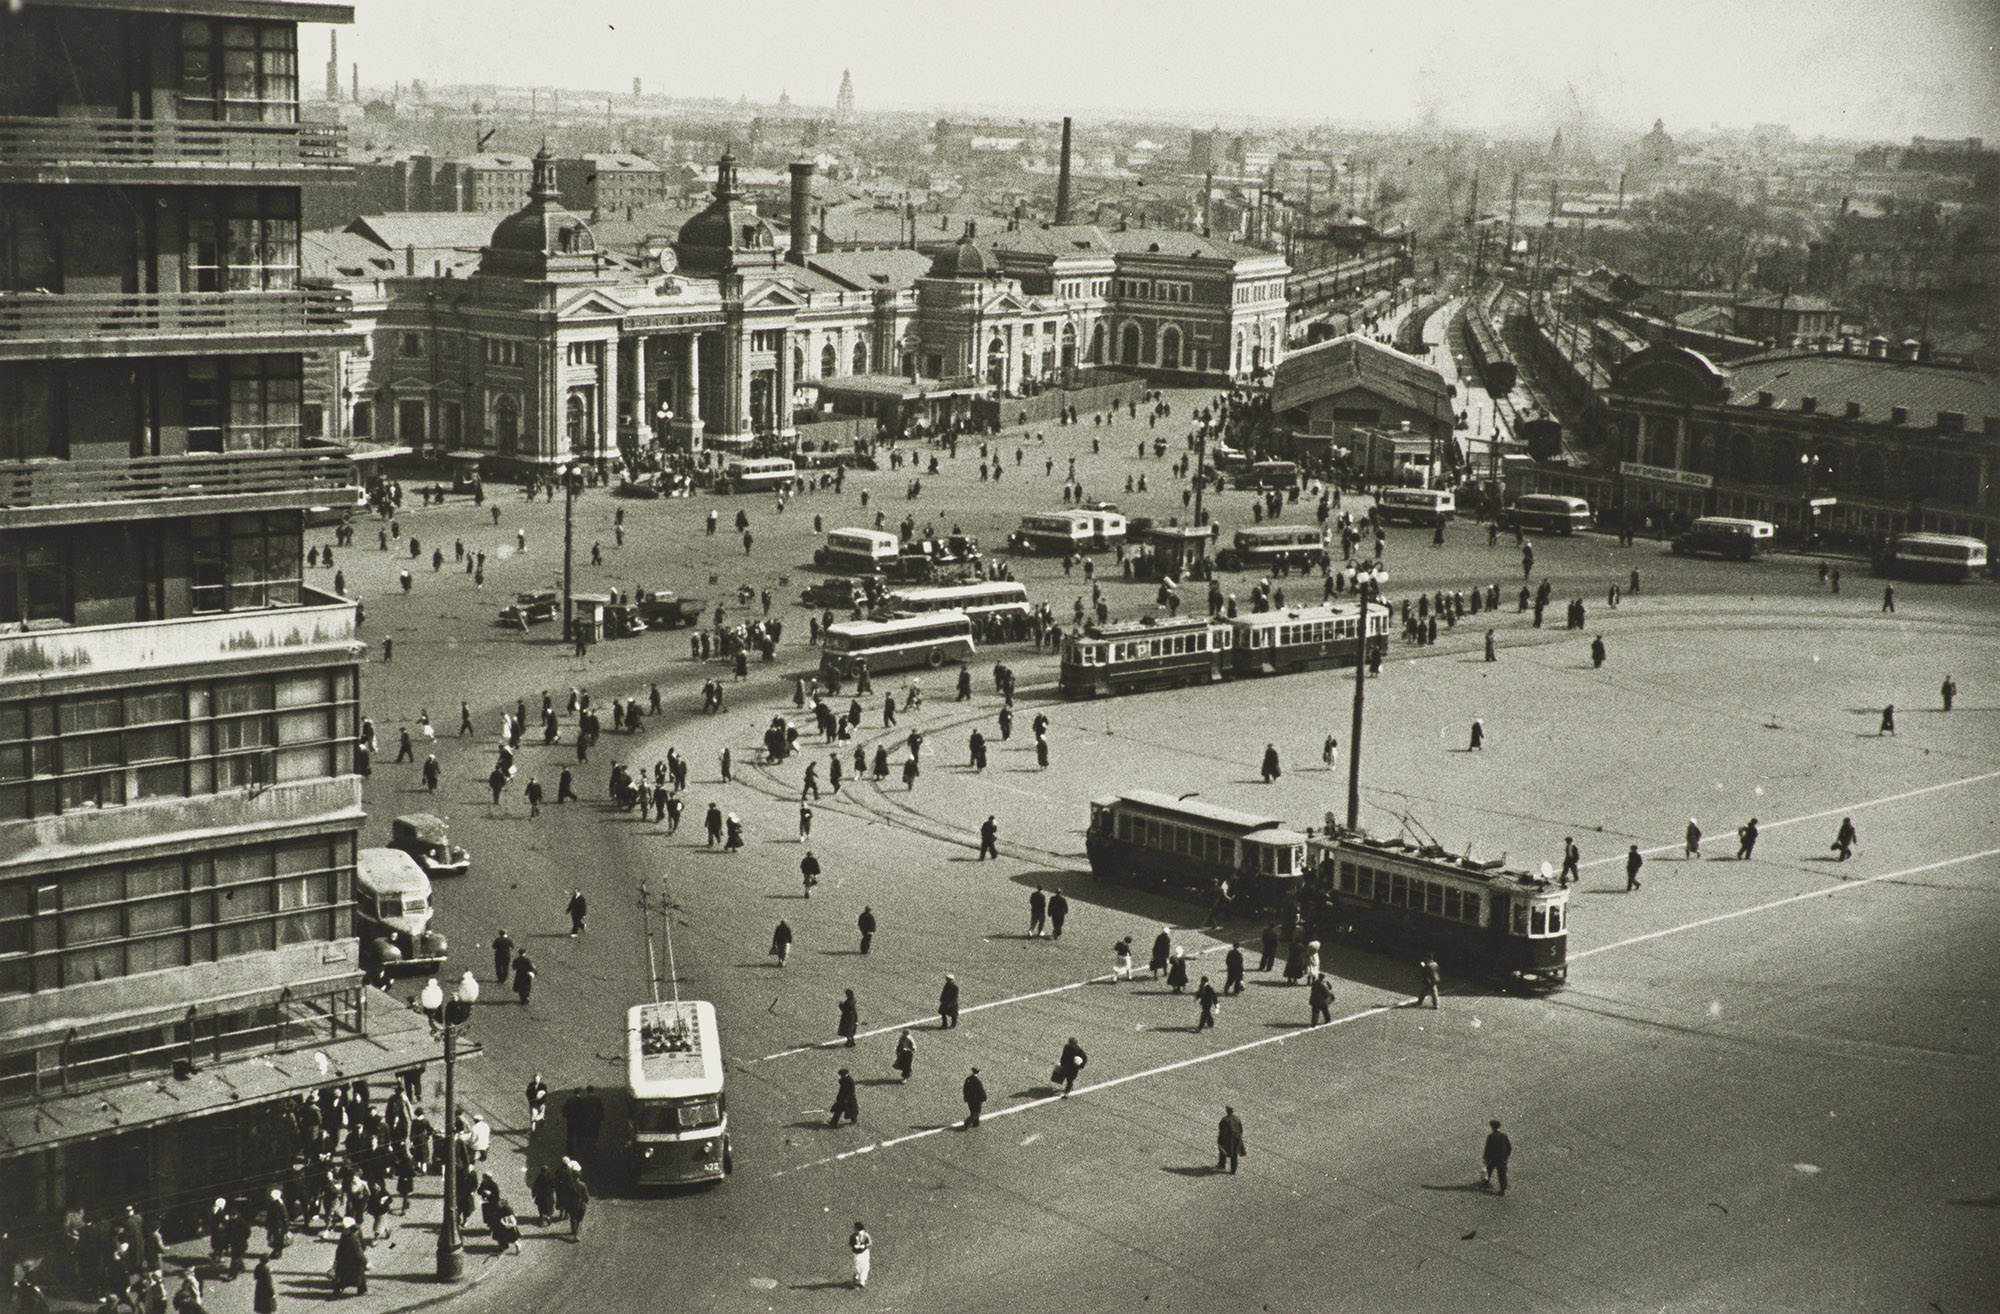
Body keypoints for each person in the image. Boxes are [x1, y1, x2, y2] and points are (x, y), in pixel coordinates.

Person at [1483, 1120, 1513, 1195]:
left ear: (1492, 1127)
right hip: (1502, 1158)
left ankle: (1486, 1182)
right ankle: (1502, 1190)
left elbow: (1488, 1148)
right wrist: (1506, 1156)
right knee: (1502, 1174)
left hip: (1493, 1157)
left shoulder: (1491, 1136)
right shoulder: (1504, 1136)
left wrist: (1486, 1157)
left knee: (1488, 1169)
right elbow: (1509, 1147)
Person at [1216, 1106, 1246, 1174]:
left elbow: (1222, 1131)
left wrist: (1220, 1140)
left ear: (1227, 1111)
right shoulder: (1237, 1119)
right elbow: (1241, 1130)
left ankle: (1222, 1165)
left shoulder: (1225, 1120)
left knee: (1223, 1151)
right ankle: (1233, 1170)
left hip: (1227, 1140)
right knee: (1234, 1155)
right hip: (1236, 1139)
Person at [848, 1222, 872, 1290]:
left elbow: (870, 1243)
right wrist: (854, 1246)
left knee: (865, 1266)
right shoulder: (853, 1236)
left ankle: (862, 1281)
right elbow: (850, 1243)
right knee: (857, 1267)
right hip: (857, 1254)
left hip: (864, 1253)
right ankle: (856, 1278)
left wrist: (864, 1245)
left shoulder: (865, 1235)